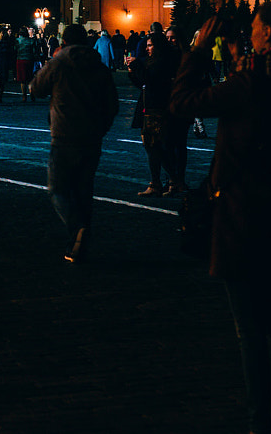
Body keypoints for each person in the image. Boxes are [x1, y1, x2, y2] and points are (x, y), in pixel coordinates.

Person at [170, 3, 271, 434]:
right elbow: (252, 101)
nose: (248, 35)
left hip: (241, 221)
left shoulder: (250, 84)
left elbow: (182, 103)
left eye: (253, 30)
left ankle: (259, 428)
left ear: (267, 34)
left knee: (250, 332)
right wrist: (234, 60)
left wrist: (196, 50)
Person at [31, 24, 117, 263]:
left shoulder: (59, 63)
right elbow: (113, 104)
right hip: (92, 139)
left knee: (58, 189)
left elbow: (36, 88)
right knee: (84, 191)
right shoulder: (99, 66)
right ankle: (79, 246)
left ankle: (76, 228)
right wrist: (101, 128)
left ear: (64, 41)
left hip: (64, 136)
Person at [128, 31, 185, 197]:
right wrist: (133, 72)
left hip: (157, 108)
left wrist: (137, 66)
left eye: (150, 45)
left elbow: (151, 81)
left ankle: (168, 180)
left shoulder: (162, 62)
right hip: (150, 106)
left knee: (154, 145)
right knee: (153, 145)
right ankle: (165, 181)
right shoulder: (154, 61)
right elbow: (143, 83)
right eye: (146, 46)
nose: (147, 49)